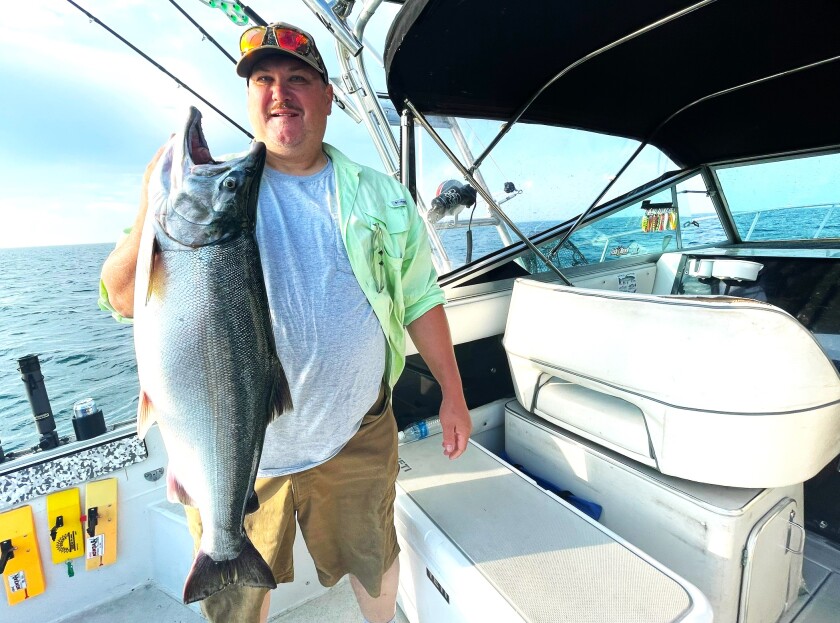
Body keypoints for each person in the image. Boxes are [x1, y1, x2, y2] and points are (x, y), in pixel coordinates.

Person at [99, 21, 472, 623]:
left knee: (373, 560)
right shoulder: (207, 192)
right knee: (237, 599)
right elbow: (120, 296)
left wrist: (453, 395)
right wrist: (150, 203)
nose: (280, 93)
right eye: (264, 80)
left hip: (355, 435)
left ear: (327, 97)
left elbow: (421, 298)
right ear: (249, 98)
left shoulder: (381, 196)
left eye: (299, 79)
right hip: (229, 453)